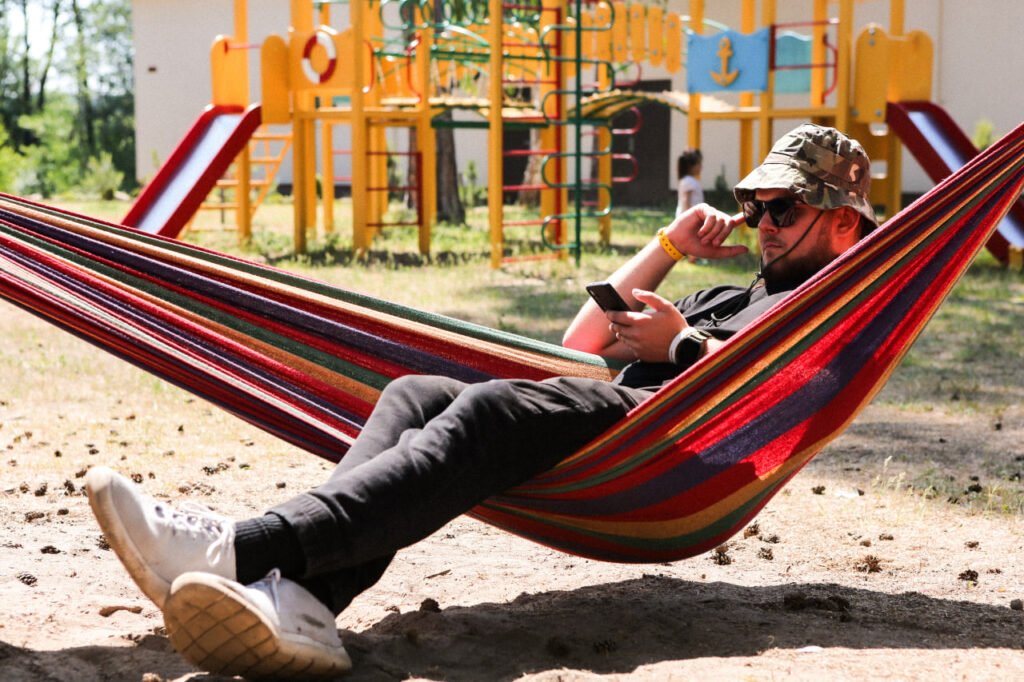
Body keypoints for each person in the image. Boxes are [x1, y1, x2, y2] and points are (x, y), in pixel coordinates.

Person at [85, 124, 877, 679]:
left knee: (488, 411)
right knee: (415, 391)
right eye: (757, 206)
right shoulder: (725, 294)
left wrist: (678, 349)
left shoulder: (823, 315)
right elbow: (580, 340)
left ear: (843, 224)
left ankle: (239, 549)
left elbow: (775, 396)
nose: (763, 225)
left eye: (785, 208)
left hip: (665, 446)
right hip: (614, 430)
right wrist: (667, 247)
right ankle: (307, 602)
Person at [675, 148, 704, 218]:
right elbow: (686, 200)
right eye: (699, 163)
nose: (701, 166)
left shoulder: (688, 180)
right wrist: (690, 218)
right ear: (690, 166)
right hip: (688, 219)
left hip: (688, 218)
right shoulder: (689, 181)